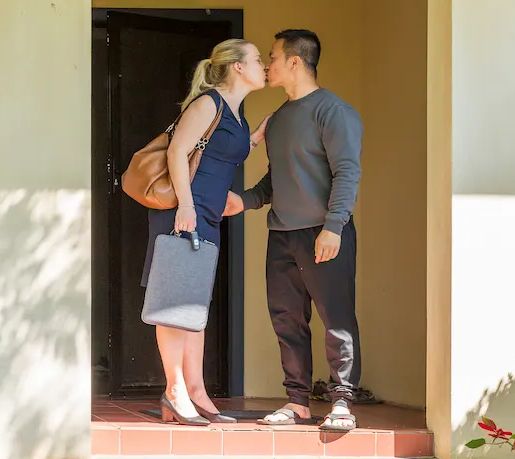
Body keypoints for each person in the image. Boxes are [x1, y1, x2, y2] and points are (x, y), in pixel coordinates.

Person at [224, 29, 363, 431]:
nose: (267, 65)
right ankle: (297, 402)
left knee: (336, 319)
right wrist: (244, 201)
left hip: (324, 232)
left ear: (295, 62)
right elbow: (276, 178)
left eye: (272, 57)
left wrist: (334, 227)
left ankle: (342, 402)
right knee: (287, 321)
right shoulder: (279, 119)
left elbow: (347, 172)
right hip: (282, 235)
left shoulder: (333, 111)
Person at [143, 39, 268, 426]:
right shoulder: (208, 104)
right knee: (174, 304)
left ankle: (196, 392)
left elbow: (221, 151)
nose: (264, 65)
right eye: (258, 59)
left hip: (206, 217)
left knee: (194, 306)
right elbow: (177, 151)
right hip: (185, 215)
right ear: (238, 67)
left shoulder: (236, 114)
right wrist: (185, 206)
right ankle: (174, 390)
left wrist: (255, 137)